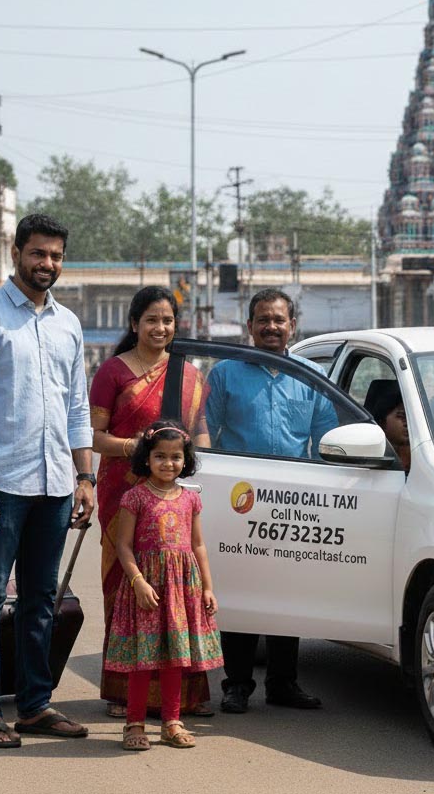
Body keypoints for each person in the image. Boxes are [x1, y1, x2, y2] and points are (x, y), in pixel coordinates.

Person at [0, 213, 95, 748]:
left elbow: (76, 406)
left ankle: (34, 705)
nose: (47, 264)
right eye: (39, 254)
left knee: (41, 599)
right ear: (16, 253)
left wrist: (85, 477)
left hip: (57, 483)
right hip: (1, 483)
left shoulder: (68, 324)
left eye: (56, 255)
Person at [206, 288, 337, 714]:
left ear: (292, 326)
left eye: (279, 320)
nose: (271, 327)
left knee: (288, 593)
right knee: (241, 592)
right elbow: (205, 434)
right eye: (263, 319)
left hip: (296, 500)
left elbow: (326, 440)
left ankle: (284, 683)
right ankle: (237, 684)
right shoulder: (225, 374)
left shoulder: (311, 376)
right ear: (250, 327)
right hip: (238, 499)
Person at [89, 286, 212, 720]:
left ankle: (182, 698)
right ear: (134, 324)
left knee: (178, 595)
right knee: (127, 593)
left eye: (168, 321)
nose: (161, 328)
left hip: (176, 501)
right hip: (124, 497)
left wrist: (201, 472)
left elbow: (198, 435)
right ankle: (126, 695)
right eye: (152, 320)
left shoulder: (190, 376)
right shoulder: (113, 373)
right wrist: (135, 449)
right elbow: (94, 437)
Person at [103, 421, 223, 750]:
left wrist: (208, 587)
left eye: (175, 457)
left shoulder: (190, 500)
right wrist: (138, 581)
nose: (168, 463)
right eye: (160, 456)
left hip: (182, 589)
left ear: (186, 461)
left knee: (176, 658)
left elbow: (198, 545)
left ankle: (172, 721)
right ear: (147, 458)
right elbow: (123, 546)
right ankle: (134, 724)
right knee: (145, 658)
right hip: (147, 589)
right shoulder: (135, 497)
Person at [364, 379, 411, 473]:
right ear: (381, 422)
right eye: (401, 416)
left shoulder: (429, 455)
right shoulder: (367, 457)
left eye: (411, 418)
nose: (408, 423)